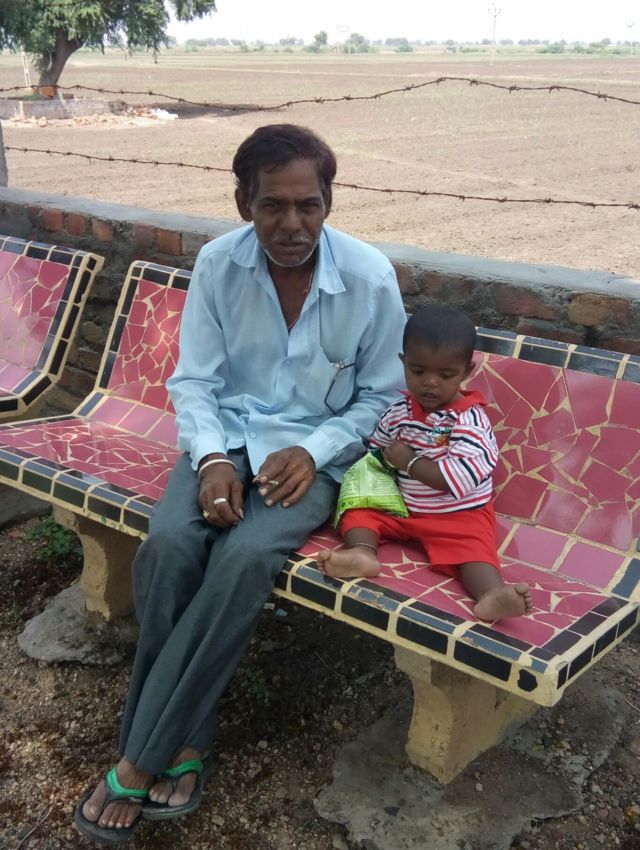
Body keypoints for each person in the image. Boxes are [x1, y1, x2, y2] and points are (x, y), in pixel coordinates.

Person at [74, 123, 407, 844]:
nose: (292, 225)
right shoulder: (219, 265)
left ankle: (141, 756)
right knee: (168, 546)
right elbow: (195, 381)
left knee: (247, 556)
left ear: (328, 201)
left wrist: (315, 450)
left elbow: (383, 399)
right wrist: (211, 460)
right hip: (221, 442)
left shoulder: (369, 278)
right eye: (272, 206)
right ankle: (185, 740)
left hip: (314, 457)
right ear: (242, 203)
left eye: (309, 205)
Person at [317, 306, 533, 622]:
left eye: (445, 375)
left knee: (473, 547)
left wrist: (410, 461)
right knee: (359, 510)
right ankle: (362, 553)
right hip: (402, 508)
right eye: (418, 372)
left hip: (456, 515)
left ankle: (492, 594)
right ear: (403, 362)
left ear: (467, 371)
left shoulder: (469, 422)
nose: (430, 383)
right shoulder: (398, 413)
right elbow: (377, 456)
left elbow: (459, 481)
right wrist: (370, 477)